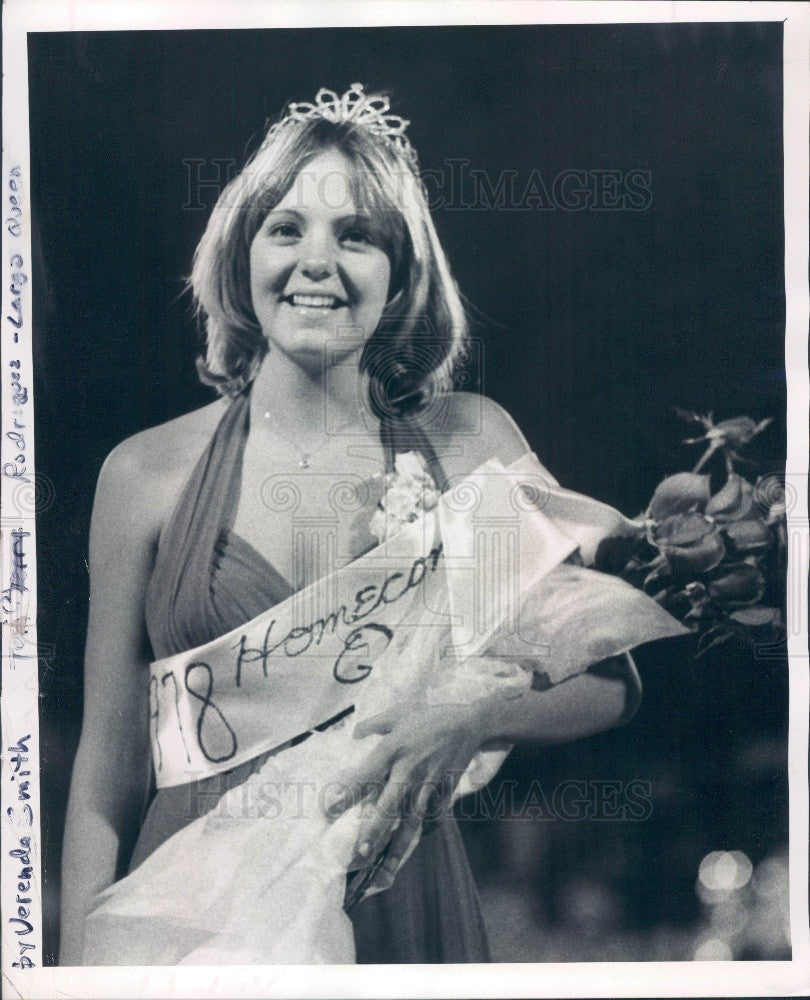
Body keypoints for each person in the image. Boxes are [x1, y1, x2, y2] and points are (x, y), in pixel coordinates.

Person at [59, 84, 642, 965]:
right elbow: (106, 774)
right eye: (286, 228)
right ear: (240, 257)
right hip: (187, 912)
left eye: (356, 235)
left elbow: (611, 677)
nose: (317, 262)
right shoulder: (144, 476)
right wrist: (76, 979)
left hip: (396, 891)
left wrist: (473, 712)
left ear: (401, 275)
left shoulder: (467, 441)